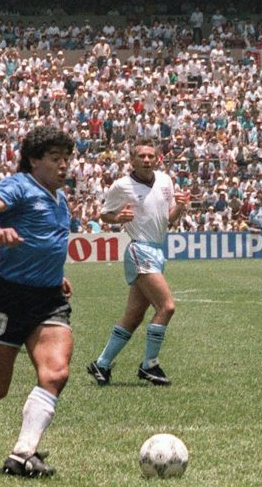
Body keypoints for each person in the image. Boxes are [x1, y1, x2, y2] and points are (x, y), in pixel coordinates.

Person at [0, 126, 75, 478]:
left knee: (56, 372)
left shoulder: (61, 197)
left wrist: (55, 274)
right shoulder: (20, 185)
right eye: (56, 159)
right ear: (34, 161)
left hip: (49, 299)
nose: (64, 166)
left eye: (67, 159)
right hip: (11, 297)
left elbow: (48, 242)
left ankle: (23, 453)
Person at [87, 138, 190, 388]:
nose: (146, 160)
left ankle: (101, 364)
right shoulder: (122, 186)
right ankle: (149, 365)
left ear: (157, 159)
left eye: (150, 156)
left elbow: (169, 219)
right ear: (132, 160)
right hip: (140, 249)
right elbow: (104, 215)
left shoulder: (165, 181)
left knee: (133, 317)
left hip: (156, 249)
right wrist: (118, 217)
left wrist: (182, 207)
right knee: (167, 307)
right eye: (141, 156)